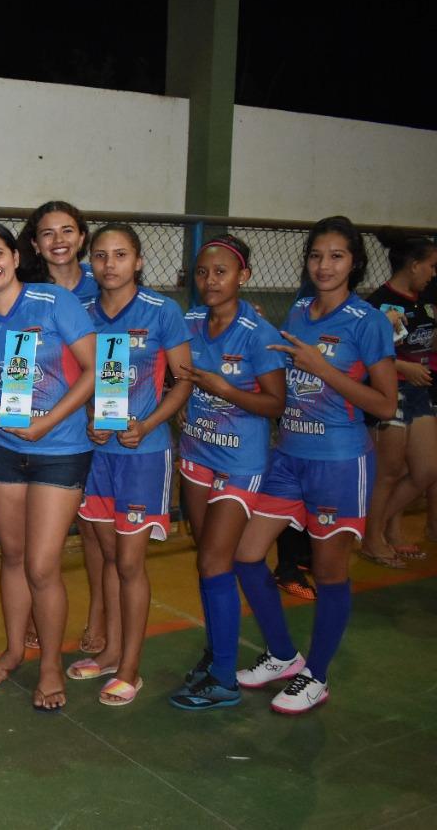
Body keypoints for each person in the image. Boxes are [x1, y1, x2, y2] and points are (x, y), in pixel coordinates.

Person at [234, 215, 397, 714]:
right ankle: (284, 654)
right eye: (316, 255)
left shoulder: (366, 321)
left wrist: (325, 369)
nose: (324, 265)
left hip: (339, 463)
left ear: (355, 263)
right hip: (288, 457)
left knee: (328, 573)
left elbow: (385, 405)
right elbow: (283, 370)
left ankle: (317, 675)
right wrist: (261, 328)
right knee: (246, 556)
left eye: (336, 256)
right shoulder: (300, 311)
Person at [0, 219, 96, 712]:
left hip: (60, 449)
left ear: (16, 257)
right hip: (4, 449)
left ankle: (50, 666)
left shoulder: (53, 301)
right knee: (14, 558)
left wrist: (48, 424)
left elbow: (93, 369)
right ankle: (16, 649)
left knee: (42, 566)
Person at [70, 224, 192, 706]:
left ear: (138, 261)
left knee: (128, 561)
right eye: (100, 256)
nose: (110, 264)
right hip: (97, 454)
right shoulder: (81, 313)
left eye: (120, 255)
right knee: (104, 558)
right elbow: (76, 379)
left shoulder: (163, 311)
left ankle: (132, 668)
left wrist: (147, 422)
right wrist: (87, 419)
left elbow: (183, 381)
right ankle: (112, 652)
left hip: (143, 453)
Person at [167, 235, 285, 711]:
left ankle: (224, 678)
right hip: (197, 453)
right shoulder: (189, 323)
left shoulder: (258, 332)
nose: (210, 280)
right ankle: (215, 654)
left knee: (217, 560)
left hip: (241, 463)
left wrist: (224, 389)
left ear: (243, 276)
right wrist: (177, 402)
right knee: (205, 558)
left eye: (220, 271)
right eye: (202, 272)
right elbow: (169, 373)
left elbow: (275, 403)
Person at [18, 201, 104, 655]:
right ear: (34, 244)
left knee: (96, 529)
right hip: (53, 433)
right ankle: (35, 613)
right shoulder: (27, 292)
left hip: (101, 427)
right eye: (47, 233)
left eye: (67, 230)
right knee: (38, 542)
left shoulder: (104, 283)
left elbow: (111, 356)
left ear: (82, 236)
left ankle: (97, 618)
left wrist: (102, 414)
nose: (58, 241)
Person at [361, 230, 437, 566]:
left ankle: (373, 527)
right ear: (414, 265)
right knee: (389, 471)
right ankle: (373, 536)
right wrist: (404, 367)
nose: (434, 273)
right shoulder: (379, 305)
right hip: (393, 392)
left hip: (421, 394)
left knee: (426, 469)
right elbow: (368, 354)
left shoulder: (425, 301)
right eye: (431, 266)